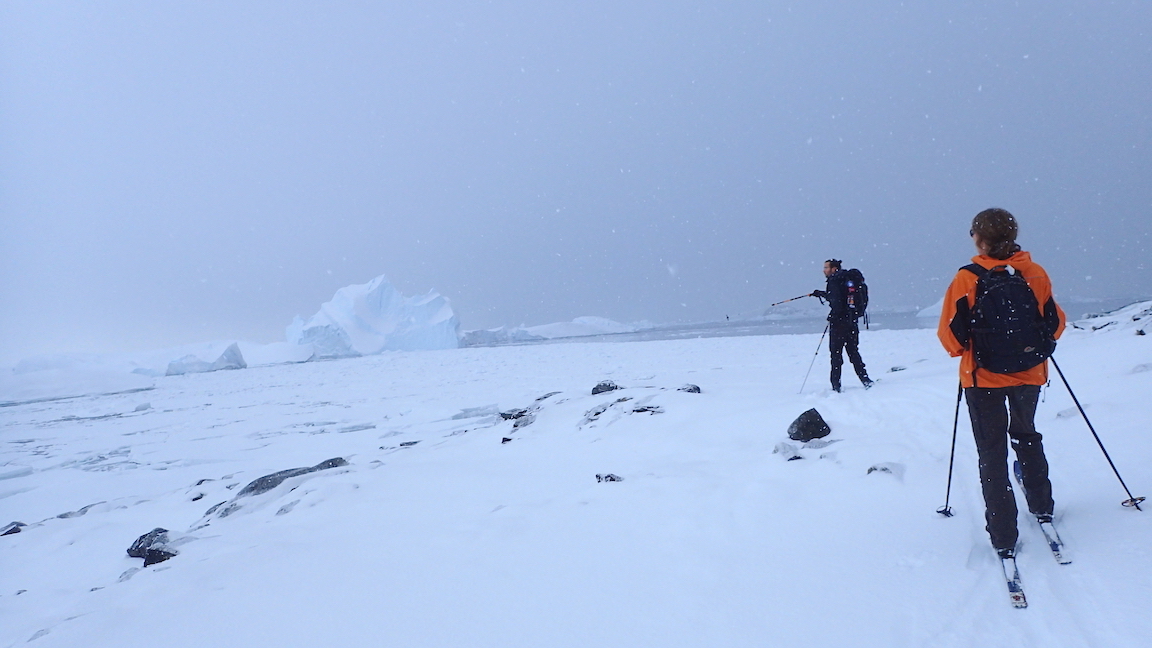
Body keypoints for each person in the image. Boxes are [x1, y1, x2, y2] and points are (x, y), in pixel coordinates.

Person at [937, 208, 1066, 558]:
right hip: (1029, 374)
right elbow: (1055, 323)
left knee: (992, 453)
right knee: (1027, 435)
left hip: (983, 379)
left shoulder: (968, 278)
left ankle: (1003, 534)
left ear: (978, 237)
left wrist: (971, 349)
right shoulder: (1034, 273)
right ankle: (1042, 505)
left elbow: (949, 336)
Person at [812, 259, 873, 392]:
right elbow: (839, 297)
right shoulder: (848, 280)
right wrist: (822, 294)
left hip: (839, 324)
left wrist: (833, 316)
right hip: (852, 321)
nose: (824, 270)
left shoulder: (834, 280)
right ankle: (866, 380)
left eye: (826, 268)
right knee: (853, 352)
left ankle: (836, 385)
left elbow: (837, 302)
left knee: (836, 354)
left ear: (834, 269)